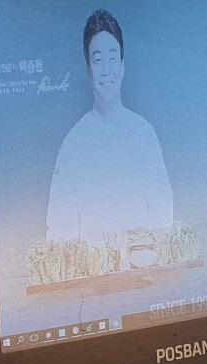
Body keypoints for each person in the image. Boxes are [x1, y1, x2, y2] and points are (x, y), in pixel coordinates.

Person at [46, 9, 173, 247]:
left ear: (122, 66)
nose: (106, 69)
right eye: (97, 60)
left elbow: (163, 213)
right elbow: (59, 229)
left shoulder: (143, 133)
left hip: (144, 263)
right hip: (93, 268)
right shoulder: (73, 143)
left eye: (112, 58)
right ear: (88, 69)